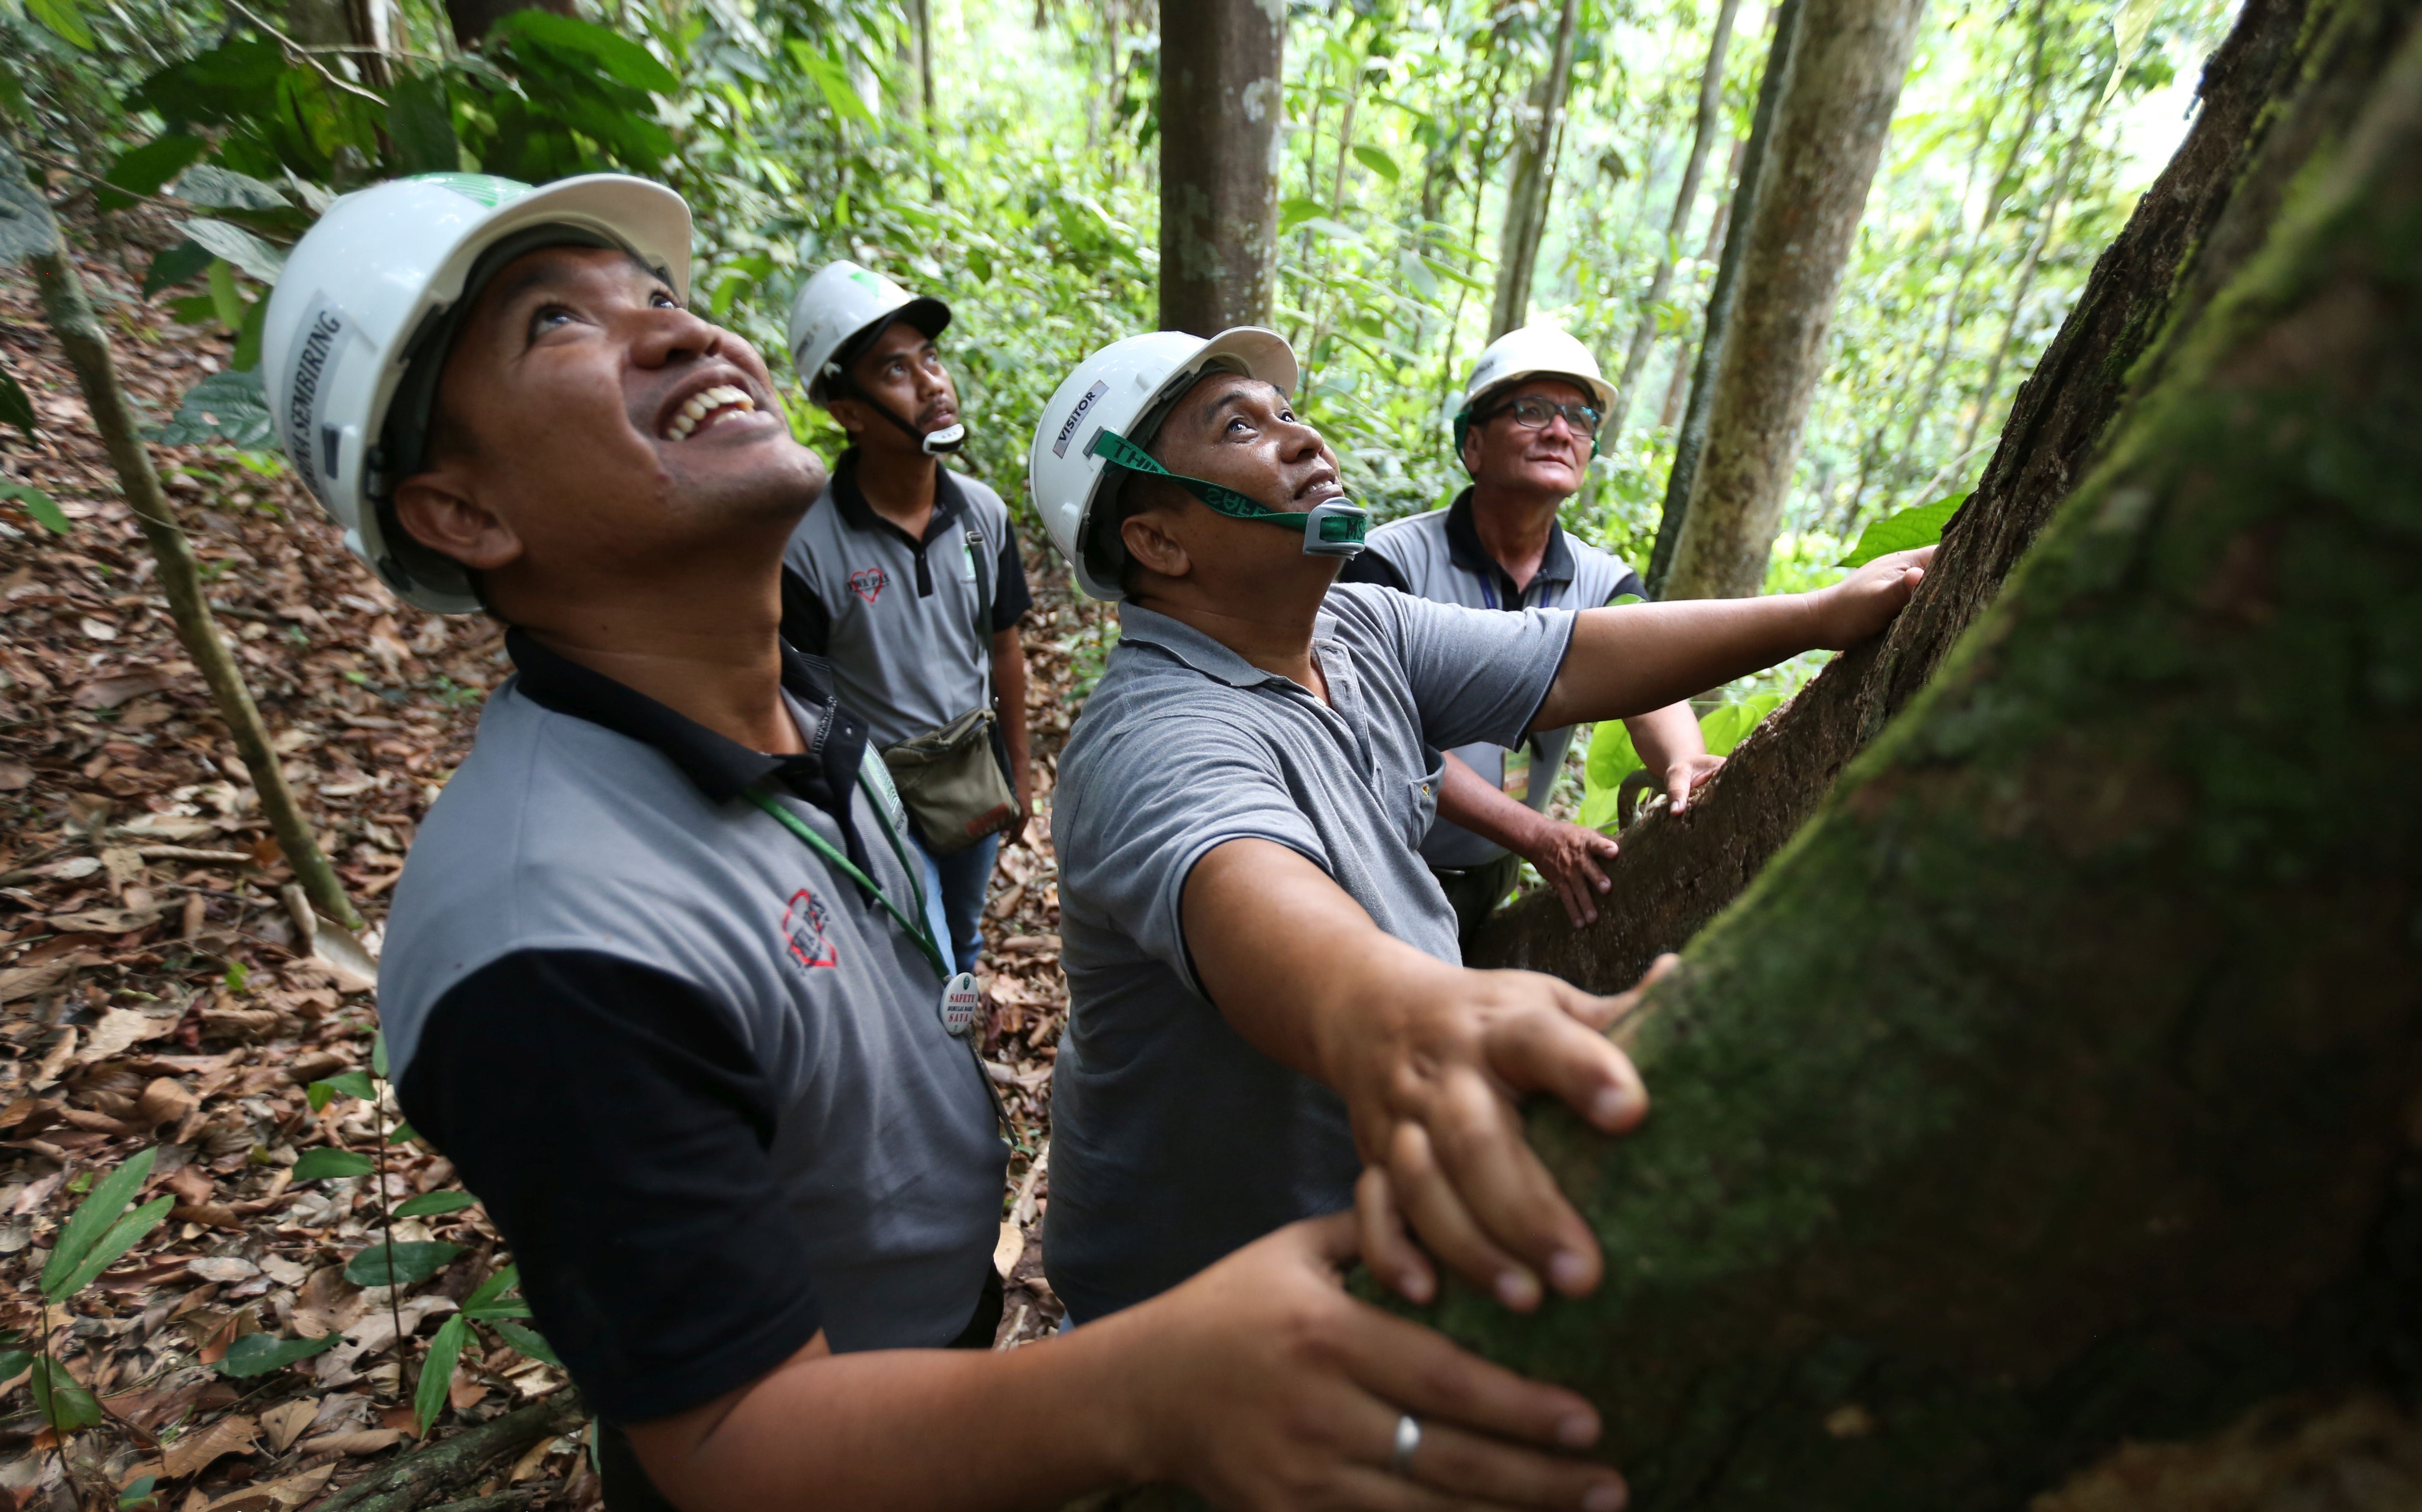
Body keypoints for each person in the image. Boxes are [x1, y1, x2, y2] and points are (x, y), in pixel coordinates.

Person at [267, 173, 1628, 1512]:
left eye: (662, 293)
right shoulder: (549, 934)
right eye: (560, 321)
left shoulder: (798, 725)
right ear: (461, 512)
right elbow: (732, 1442)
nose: (683, 330)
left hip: (939, 1367)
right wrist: (1151, 1391)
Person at [1028, 327, 1933, 1327]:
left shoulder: (1353, 632)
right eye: (1239, 428)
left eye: (1287, 412)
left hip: (1364, 1256)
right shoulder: (1157, 741)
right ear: (1158, 542)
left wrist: (1818, 614)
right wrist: (1435, 1025)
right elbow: (1271, 915)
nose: (1303, 438)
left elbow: (1571, 655)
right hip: (1198, 1318)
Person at [1343, 326, 1722, 941]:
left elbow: (1650, 682)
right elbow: (1385, 735)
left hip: (1493, 876)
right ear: (1472, 444)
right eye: (1532, 411)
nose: (1560, 431)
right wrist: (1536, 835)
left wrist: (1683, 761)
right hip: (1377, 865)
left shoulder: (1605, 582)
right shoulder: (1390, 565)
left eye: (1581, 418)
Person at [777, 261, 1030, 975]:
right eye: (895, 369)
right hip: (878, 792)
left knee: (964, 935)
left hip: (971, 776)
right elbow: (798, 698)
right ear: (848, 411)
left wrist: (1019, 772)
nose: (932, 383)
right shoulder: (807, 545)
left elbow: (1004, 647)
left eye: (931, 359)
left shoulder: (981, 514)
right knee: (919, 949)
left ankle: (962, 1033)